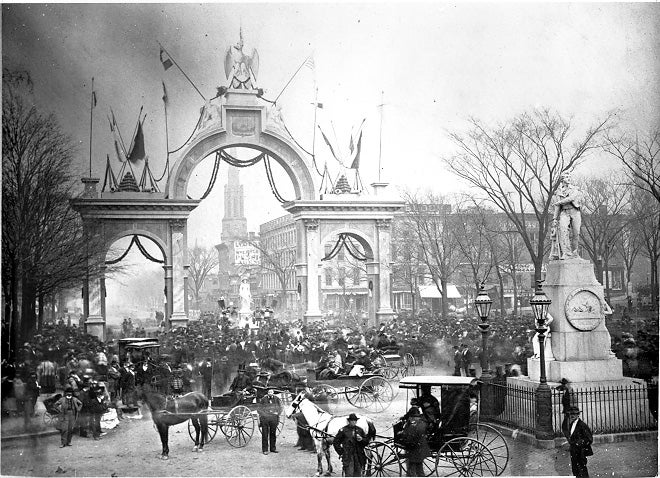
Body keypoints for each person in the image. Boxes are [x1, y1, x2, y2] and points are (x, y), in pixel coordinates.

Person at [552, 171, 582, 259]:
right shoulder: (558, 191)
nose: (568, 178)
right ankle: (566, 253)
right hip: (564, 212)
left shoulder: (575, 189)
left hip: (575, 212)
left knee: (576, 233)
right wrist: (554, 218)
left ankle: (575, 253)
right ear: (562, 179)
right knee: (563, 231)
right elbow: (557, 207)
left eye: (569, 176)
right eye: (566, 177)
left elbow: (571, 198)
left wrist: (559, 202)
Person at [333, 413, 368, 477]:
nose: (354, 422)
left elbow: (366, 442)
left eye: (355, 420)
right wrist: (341, 452)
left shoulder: (360, 430)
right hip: (348, 456)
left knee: (358, 474)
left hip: (358, 455)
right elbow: (336, 442)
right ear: (349, 421)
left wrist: (361, 439)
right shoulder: (343, 430)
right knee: (349, 474)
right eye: (352, 420)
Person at [562, 406, 593, 478]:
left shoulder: (582, 425)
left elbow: (589, 439)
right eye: (571, 414)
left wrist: (578, 443)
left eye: (574, 414)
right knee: (575, 469)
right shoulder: (571, 424)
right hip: (574, 451)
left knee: (582, 470)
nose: (572, 415)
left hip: (581, 451)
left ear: (578, 415)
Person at [402, 407, 431, 477]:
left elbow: (409, 437)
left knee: (412, 469)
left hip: (415, 450)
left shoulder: (413, 425)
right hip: (421, 449)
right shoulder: (422, 422)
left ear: (412, 417)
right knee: (419, 468)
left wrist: (403, 435)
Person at [258, 389, 282, 455]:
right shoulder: (263, 399)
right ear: (267, 393)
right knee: (265, 434)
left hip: (273, 418)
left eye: (271, 392)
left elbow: (280, 408)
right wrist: (264, 415)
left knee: (273, 433)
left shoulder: (276, 399)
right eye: (269, 392)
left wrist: (277, 413)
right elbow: (259, 409)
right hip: (265, 418)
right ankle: (265, 450)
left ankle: (273, 448)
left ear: (273, 393)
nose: (270, 393)